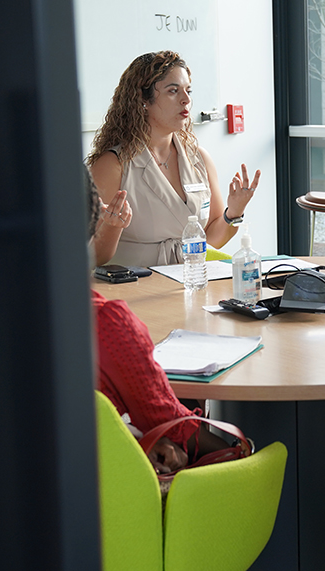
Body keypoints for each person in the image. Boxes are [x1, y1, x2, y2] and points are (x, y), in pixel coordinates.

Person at [85, 167, 224, 474]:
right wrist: (239, 449)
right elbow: (169, 422)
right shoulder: (106, 323)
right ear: (94, 218)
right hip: (116, 495)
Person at [88, 51, 261, 267]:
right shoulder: (112, 165)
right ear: (143, 100)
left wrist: (234, 212)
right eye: (173, 91)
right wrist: (112, 226)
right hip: (136, 289)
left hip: (190, 280)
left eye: (188, 91)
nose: (186, 100)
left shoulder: (199, 158)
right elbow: (92, 257)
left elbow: (207, 241)